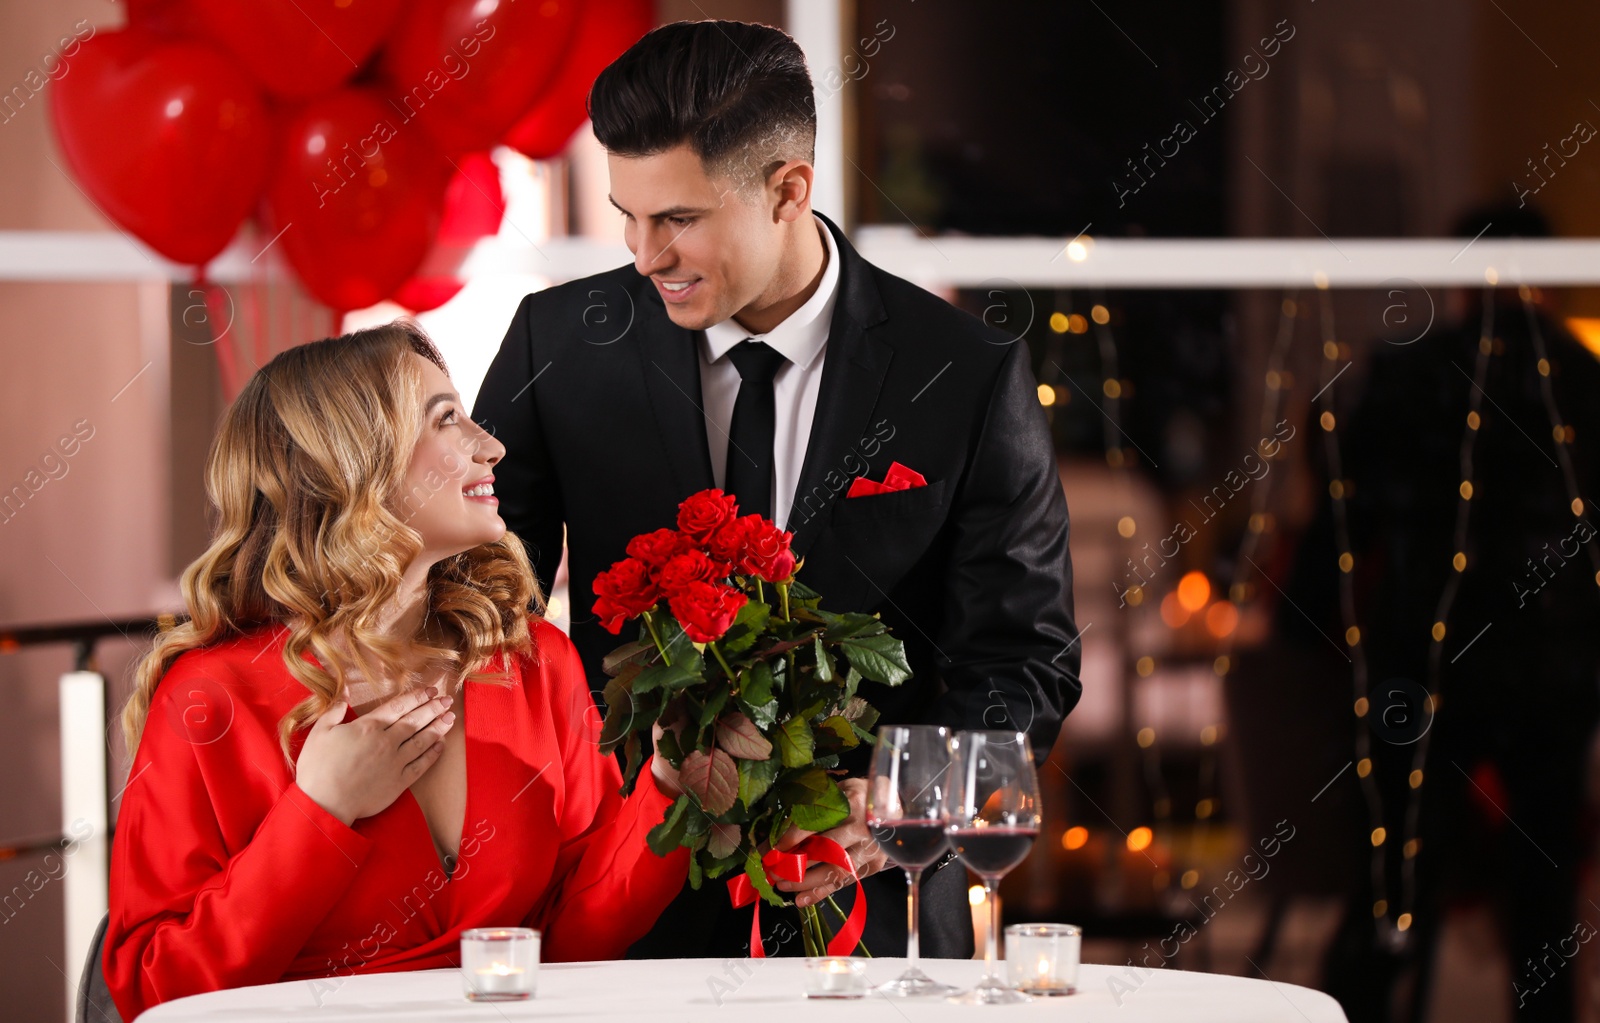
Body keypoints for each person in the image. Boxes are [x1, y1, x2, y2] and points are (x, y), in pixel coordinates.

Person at [472, 20, 1081, 959]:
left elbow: (1023, 656)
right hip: (624, 899)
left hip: (887, 903)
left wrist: (898, 808)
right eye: (626, 214)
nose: (643, 255)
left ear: (788, 189)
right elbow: (481, 606)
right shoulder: (558, 345)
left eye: (677, 220)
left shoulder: (962, 371)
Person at [104, 322, 689, 1021]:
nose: (491, 445)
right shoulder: (209, 699)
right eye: (446, 419)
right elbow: (153, 990)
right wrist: (320, 811)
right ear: (349, 465)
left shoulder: (534, 662)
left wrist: (668, 789)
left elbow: (569, 942)